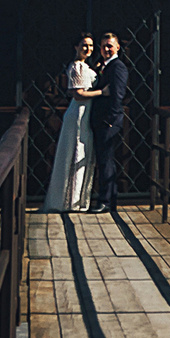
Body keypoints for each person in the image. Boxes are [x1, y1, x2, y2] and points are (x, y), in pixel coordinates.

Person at [41, 35, 100, 213]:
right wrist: (101, 92)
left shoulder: (85, 66)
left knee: (82, 152)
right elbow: (78, 94)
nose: (88, 49)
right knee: (76, 152)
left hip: (86, 113)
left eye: (90, 46)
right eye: (84, 45)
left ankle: (78, 199)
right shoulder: (76, 66)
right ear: (76, 47)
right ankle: (70, 201)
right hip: (79, 112)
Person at [90, 31, 132, 212]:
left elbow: (118, 95)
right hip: (101, 120)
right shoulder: (104, 65)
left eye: (110, 45)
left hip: (108, 121)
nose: (106, 49)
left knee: (106, 161)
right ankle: (110, 200)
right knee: (105, 160)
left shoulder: (118, 67)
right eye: (104, 46)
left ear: (117, 47)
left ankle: (105, 201)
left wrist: (110, 120)